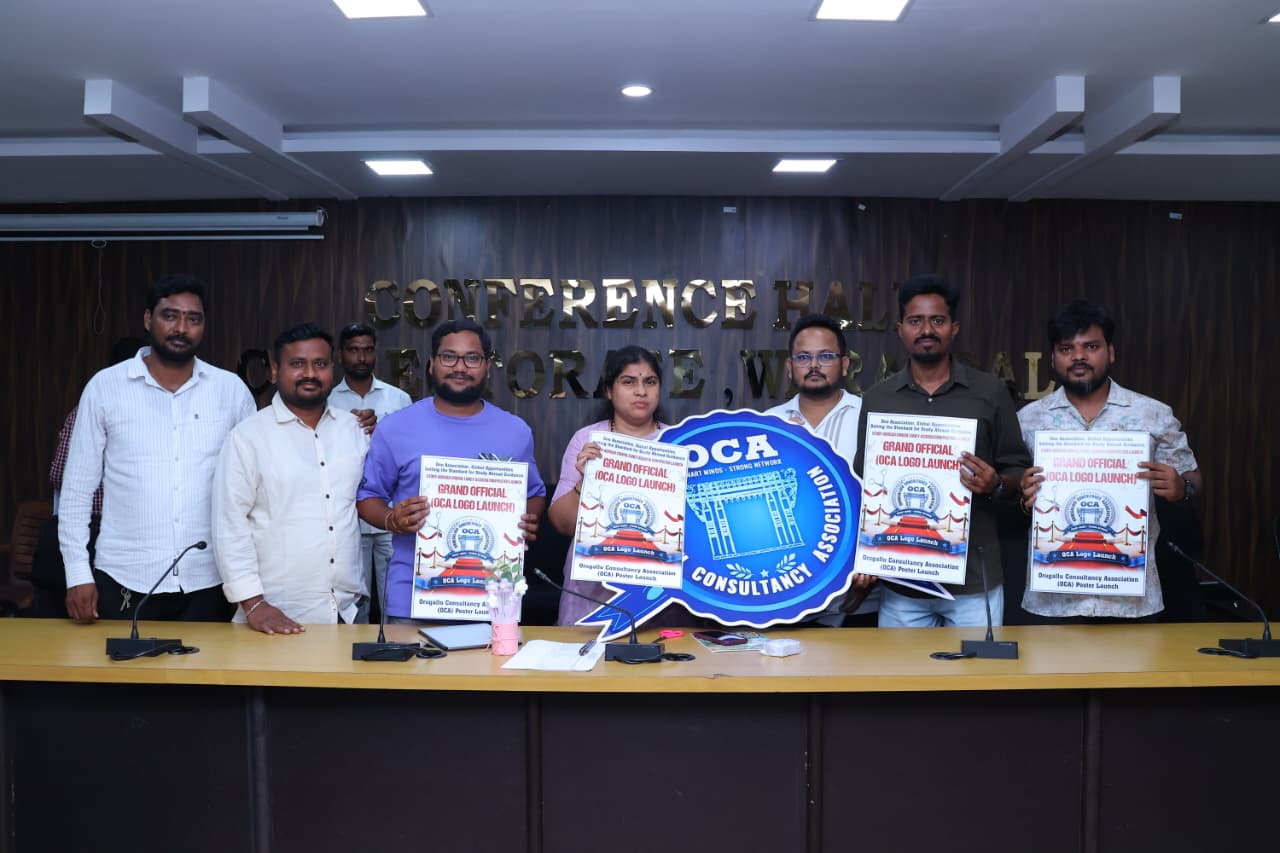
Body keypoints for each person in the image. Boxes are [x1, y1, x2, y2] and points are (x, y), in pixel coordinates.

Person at [59, 275, 255, 623]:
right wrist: (77, 574)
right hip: (124, 576)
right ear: (148, 319)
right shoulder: (105, 387)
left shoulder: (231, 391)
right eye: (170, 316)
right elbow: (76, 490)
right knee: (122, 662)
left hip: (210, 579)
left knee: (208, 662)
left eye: (193, 319)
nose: (182, 328)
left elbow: (254, 486)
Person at [854, 274, 1030, 627]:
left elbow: (1018, 470)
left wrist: (996, 484)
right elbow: (863, 481)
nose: (926, 330)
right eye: (915, 321)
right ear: (901, 330)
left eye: (937, 320)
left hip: (974, 580)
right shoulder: (878, 399)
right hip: (901, 582)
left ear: (954, 328)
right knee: (899, 667)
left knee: (977, 666)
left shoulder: (990, 392)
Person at [1017, 299, 1202, 621]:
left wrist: (1181, 487)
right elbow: (1014, 492)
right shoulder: (1028, 419)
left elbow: (1193, 478)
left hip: (1133, 599)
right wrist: (1022, 497)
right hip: (1052, 598)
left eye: (1091, 346)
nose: (1078, 357)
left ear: (1110, 352)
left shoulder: (1152, 414)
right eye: (1066, 348)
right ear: (1054, 358)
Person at [356, 319, 546, 622]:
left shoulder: (515, 431)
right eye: (449, 357)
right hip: (412, 600)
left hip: (492, 599)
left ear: (487, 367)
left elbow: (534, 494)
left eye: (472, 358)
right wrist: (392, 519)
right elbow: (368, 497)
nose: (460, 367)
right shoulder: (395, 428)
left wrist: (524, 522)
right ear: (432, 364)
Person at [212, 323, 369, 633]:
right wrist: (253, 604)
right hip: (276, 614)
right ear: (275, 370)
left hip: (349, 611)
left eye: (320, 364)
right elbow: (229, 524)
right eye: (298, 364)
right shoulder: (247, 437)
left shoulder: (354, 431)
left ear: (332, 369)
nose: (310, 373)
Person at [548, 346, 680, 626]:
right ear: (609, 390)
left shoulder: (678, 443)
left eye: (650, 382)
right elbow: (561, 524)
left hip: (658, 591)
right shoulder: (587, 439)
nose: (641, 391)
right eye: (628, 382)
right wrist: (585, 482)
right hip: (591, 590)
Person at [763, 315, 879, 627]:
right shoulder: (768, 424)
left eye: (825, 356)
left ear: (845, 364)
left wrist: (872, 556)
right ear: (790, 367)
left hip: (858, 594)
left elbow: (885, 495)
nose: (814, 365)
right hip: (787, 589)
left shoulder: (870, 418)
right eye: (804, 357)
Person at [31, 337, 143, 618]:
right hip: (106, 533)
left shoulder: (81, 411)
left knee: (68, 619)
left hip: (97, 532)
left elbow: (57, 474)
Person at [328, 322, 412, 622]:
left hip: (391, 514)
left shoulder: (398, 399)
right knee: (353, 603)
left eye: (367, 350)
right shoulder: (327, 400)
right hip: (347, 516)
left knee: (396, 599)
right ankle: (351, 651)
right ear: (340, 355)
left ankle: (397, 648)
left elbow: (409, 454)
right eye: (354, 350)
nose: (361, 357)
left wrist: (381, 434)